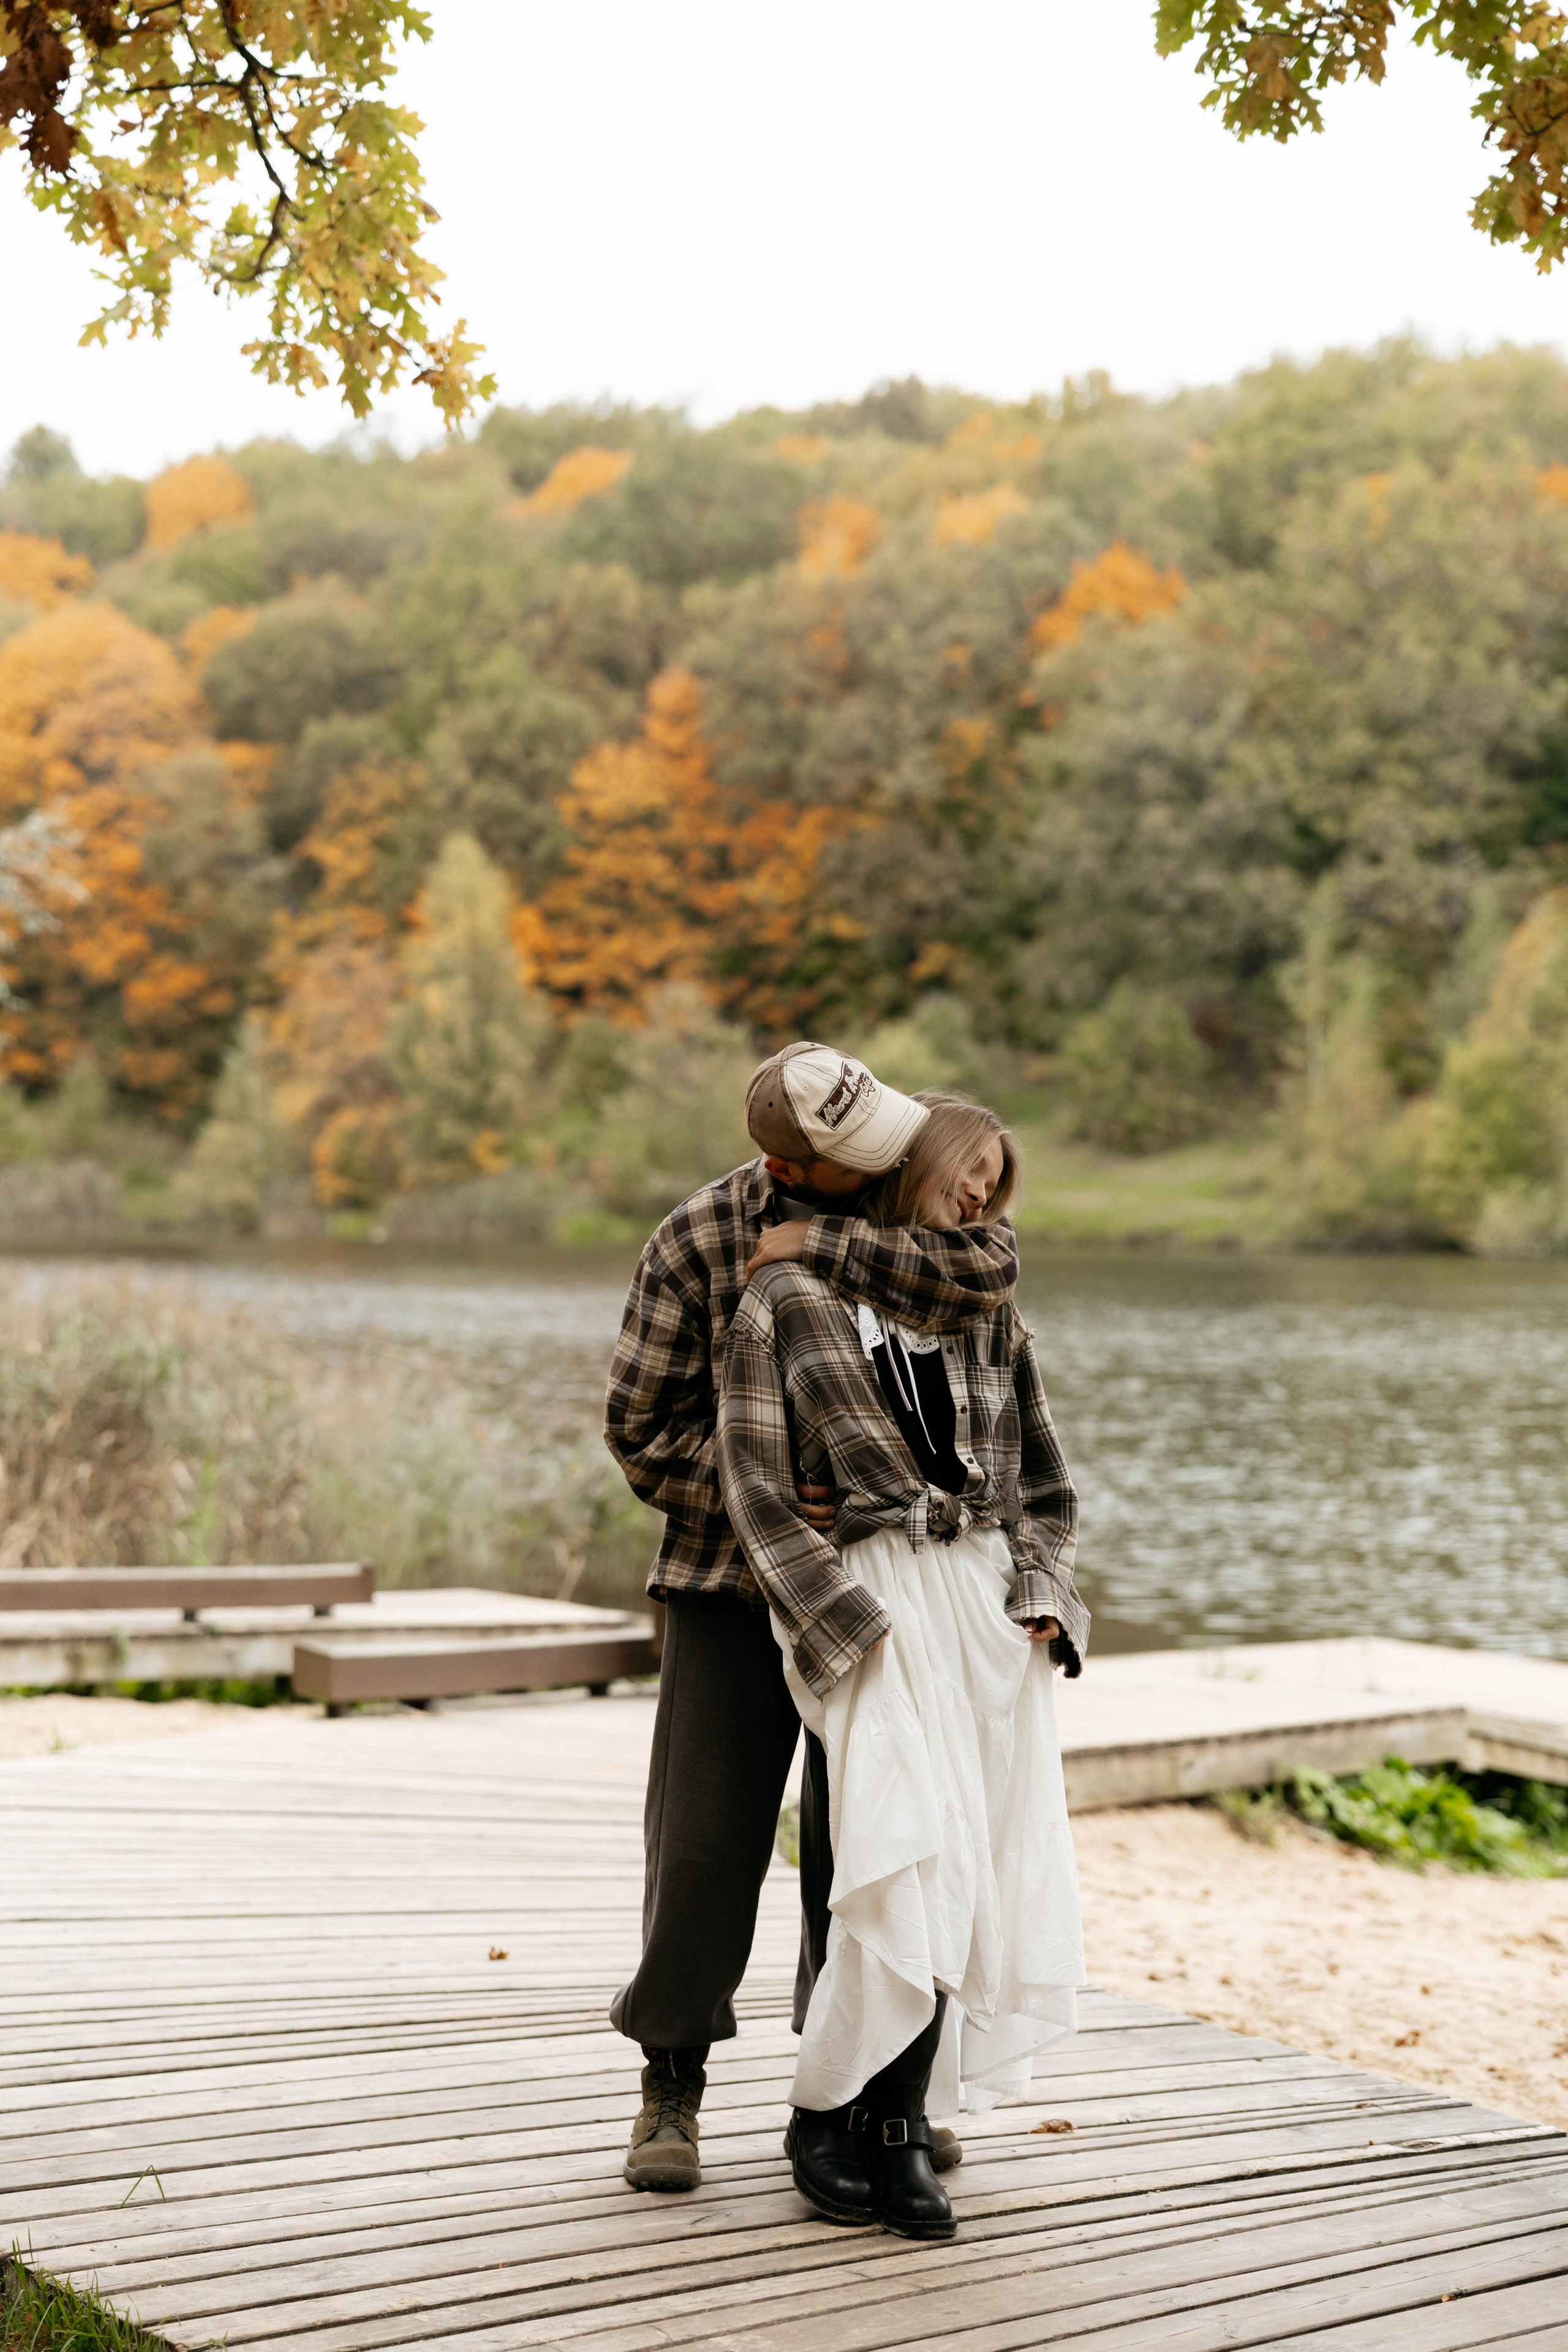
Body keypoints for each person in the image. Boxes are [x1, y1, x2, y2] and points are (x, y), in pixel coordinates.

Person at [605, 1043, 1021, 2193]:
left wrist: (825, 1244)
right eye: (862, 1152)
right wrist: (770, 1494)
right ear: (791, 1162)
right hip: (728, 1584)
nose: (897, 1152)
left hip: (890, 1601)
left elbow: (991, 1272)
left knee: (874, 1849)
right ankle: (669, 2085)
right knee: (702, 1849)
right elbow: (640, 1431)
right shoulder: (694, 1241)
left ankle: (863, 2093)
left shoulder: (908, 1219)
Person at [717, 1094, 1089, 2241]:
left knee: (967, 1865)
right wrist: (840, 1624)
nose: (982, 1194)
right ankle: (838, 2118)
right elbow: (758, 1492)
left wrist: (1042, 1592)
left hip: (982, 1609)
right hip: (870, 1603)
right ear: (915, 1159)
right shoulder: (783, 1300)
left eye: (997, 1180)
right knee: (896, 1850)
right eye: (970, 1169)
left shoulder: (989, 1312)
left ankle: (909, 2117)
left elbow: (1043, 1483)